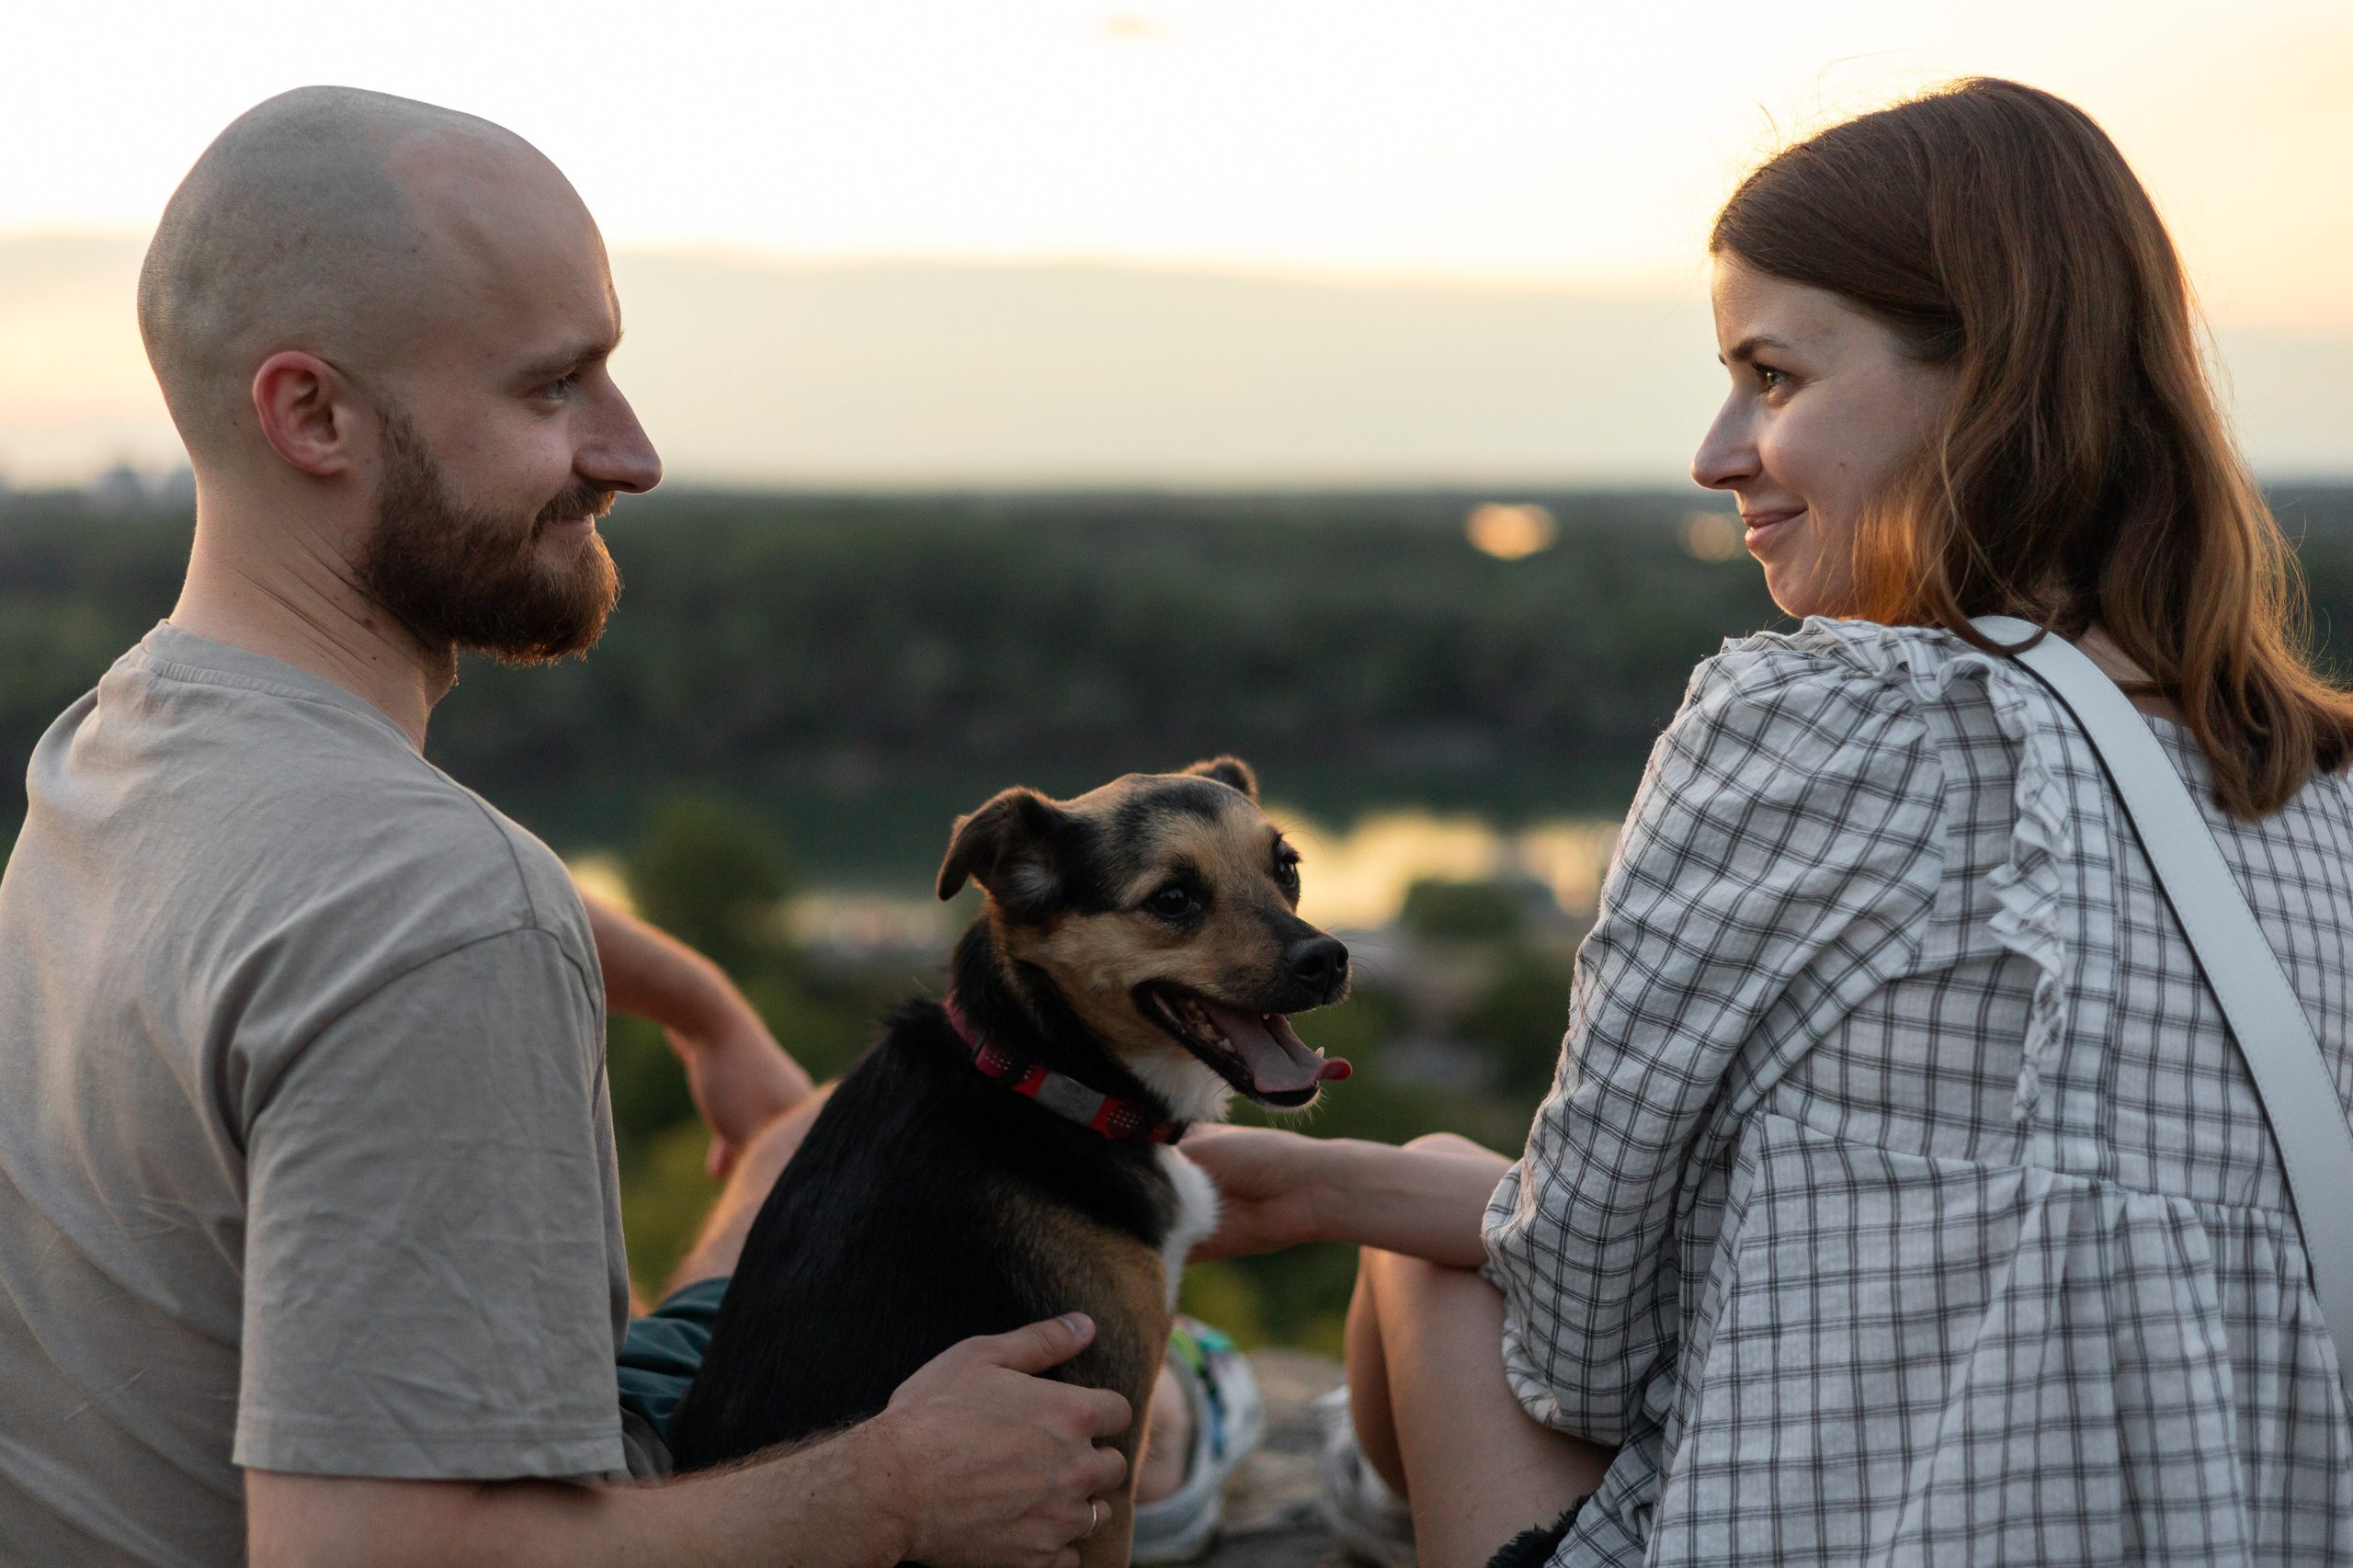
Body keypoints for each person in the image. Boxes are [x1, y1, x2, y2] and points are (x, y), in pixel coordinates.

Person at [1185, 76, 2353, 1567]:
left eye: (1775, 377)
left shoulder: (1820, 723)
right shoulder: (2320, 789)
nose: (1716, 450)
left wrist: (1397, 1192)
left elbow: (1580, 1336)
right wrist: (1345, 1180)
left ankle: (1324, 1503)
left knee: (1431, 1279)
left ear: (1988, 381)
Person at [0, 87, 1131, 1568]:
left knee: (802, 1138)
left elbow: (304, 939)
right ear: (313, 416)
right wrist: (895, 1487)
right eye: (554, 389)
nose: (634, 453)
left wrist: (699, 1002)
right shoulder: (442, 909)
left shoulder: (111, 748)